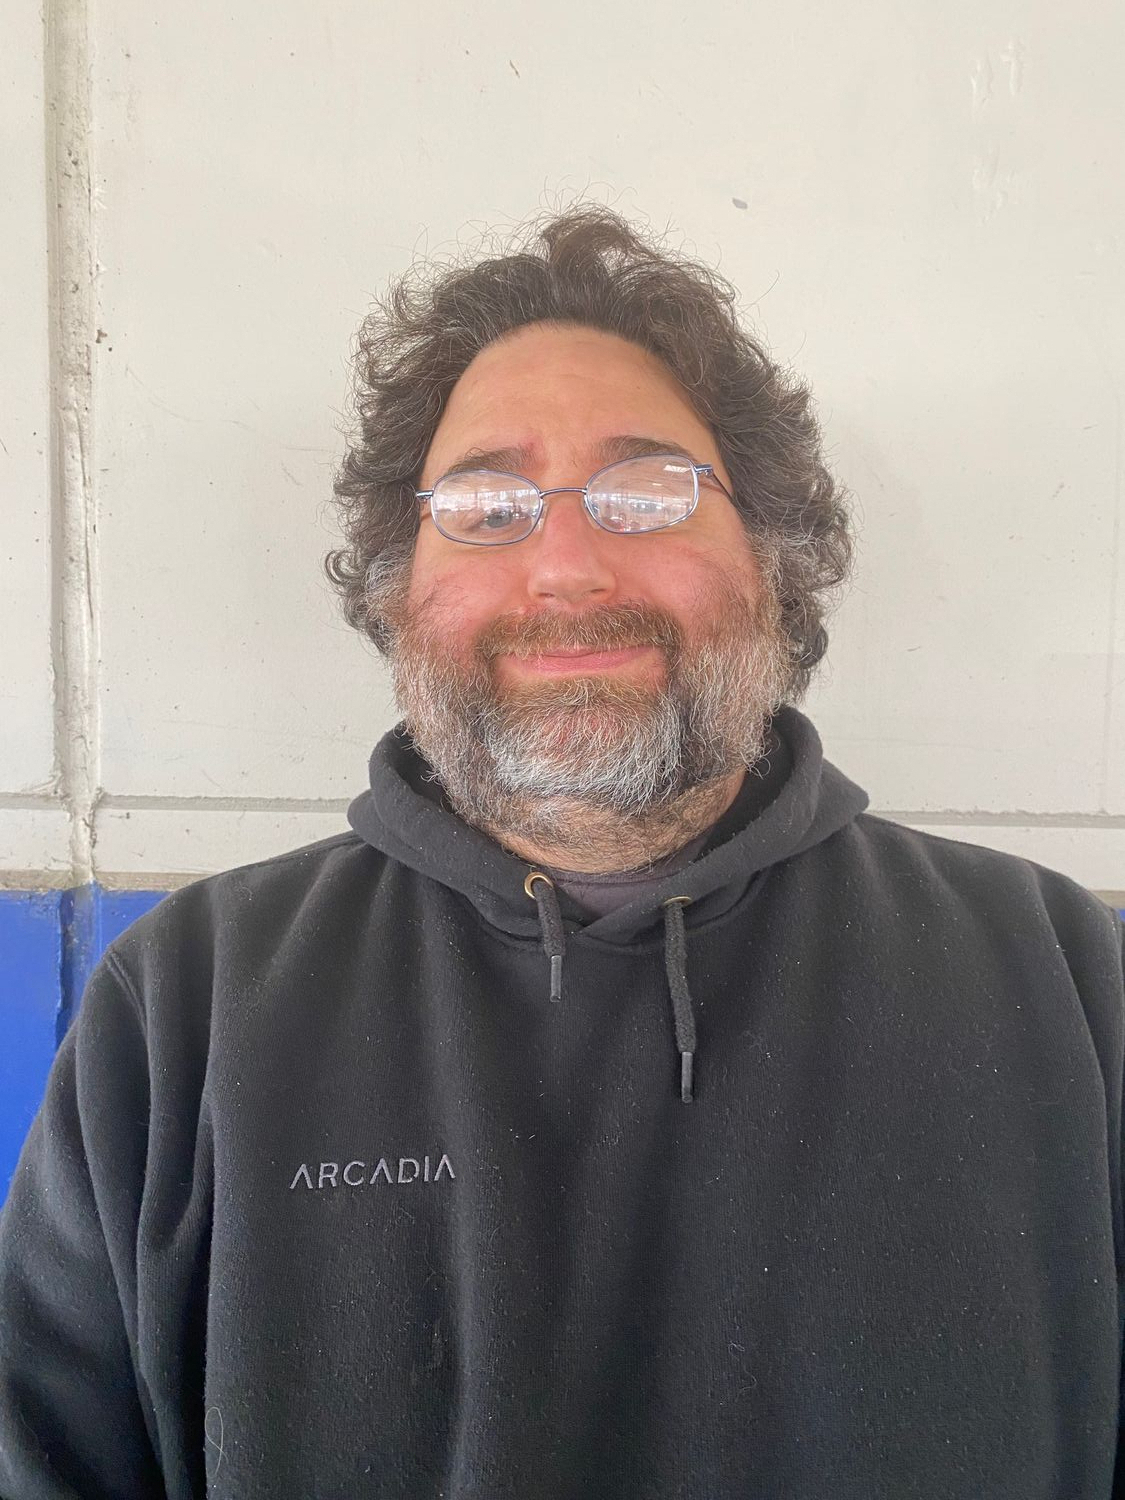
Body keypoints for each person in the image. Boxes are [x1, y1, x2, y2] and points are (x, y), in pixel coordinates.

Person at [1, 205, 1122, 1500]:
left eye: (649, 492)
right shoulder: (186, 1005)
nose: (568, 566)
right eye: (487, 505)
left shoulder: (1060, 974)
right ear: (397, 580)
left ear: (771, 558)